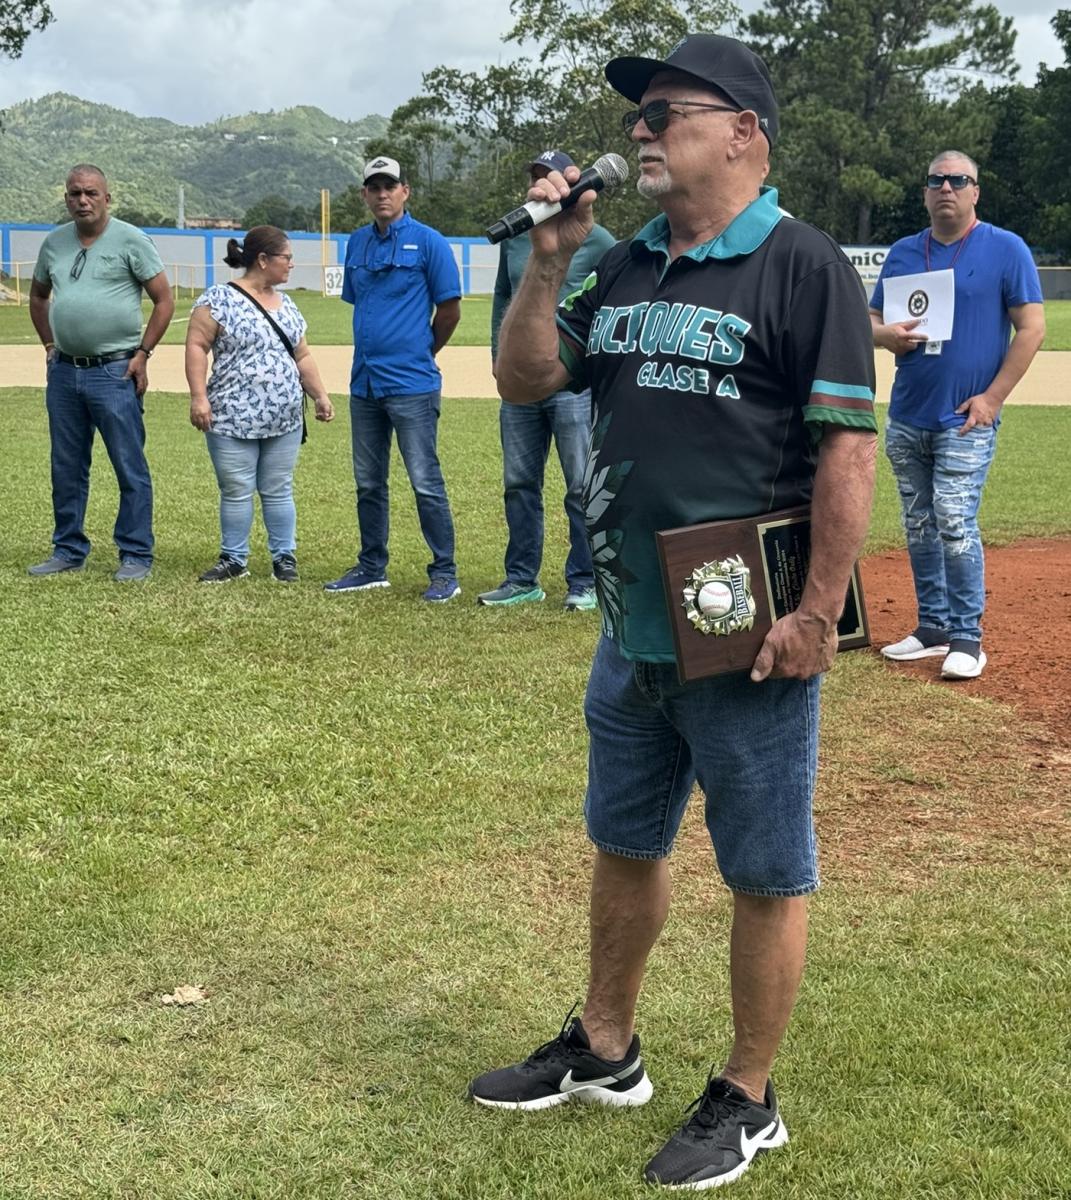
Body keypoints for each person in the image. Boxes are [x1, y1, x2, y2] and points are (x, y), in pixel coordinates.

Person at [467, 33, 878, 1191]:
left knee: (764, 870)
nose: (644, 129)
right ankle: (605, 1048)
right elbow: (527, 381)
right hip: (633, 622)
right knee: (626, 840)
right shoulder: (623, 264)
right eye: (641, 115)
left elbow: (848, 449)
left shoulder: (802, 266)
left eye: (669, 111)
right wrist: (549, 261)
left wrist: (815, 614)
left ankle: (749, 1098)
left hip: (750, 636)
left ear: (744, 131)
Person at [870, 151, 1045, 680]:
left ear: (975, 191)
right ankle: (933, 628)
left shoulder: (1004, 248)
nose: (946, 187)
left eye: (958, 180)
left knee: (953, 519)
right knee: (920, 523)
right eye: (936, 180)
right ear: (925, 192)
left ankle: (968, 637)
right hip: (907, 413)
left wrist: (992, 398)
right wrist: (883, 336)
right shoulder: (904, 252)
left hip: (965, 418)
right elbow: (873, 318)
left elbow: (1032, 328)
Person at [478, 151, 616, 612]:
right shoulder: (519, 240)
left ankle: (584, 580)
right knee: (519, 482)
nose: (545, 186)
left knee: (579, 485)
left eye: (552, 177)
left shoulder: (599, 242)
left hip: (571, 387)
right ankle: (521, 578)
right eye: (537, 179)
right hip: (519, 385)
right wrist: (501, 360)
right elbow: (503, 299)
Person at [324, 155, 463, 601]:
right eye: (374, 187)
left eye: (390, 186)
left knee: (424, 480)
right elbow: (358, 302)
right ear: (365, 194)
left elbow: (450, 310)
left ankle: (444, 573)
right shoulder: (357, 243)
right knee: (368, 481)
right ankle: (371, 566)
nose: (382, 194)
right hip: (364, 383)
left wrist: (423, 351)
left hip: (412, 384)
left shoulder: (429, 243)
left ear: (405, 191)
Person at [27, 163, 175, 581]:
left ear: (107, 198)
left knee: (128, 464)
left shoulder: (132, 240)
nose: (83, 201)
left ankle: (135, 553)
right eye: (75, 194)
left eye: (91, 193)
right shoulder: (54, 243)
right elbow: (38, 297)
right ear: (66, 198)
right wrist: (50, 344)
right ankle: (68, 548)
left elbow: (163, 300)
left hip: (114, 372)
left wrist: (144, 353)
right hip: (64, 373)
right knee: (67, 465)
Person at [185, 226, 334, 583]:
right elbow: (196, 347)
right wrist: (198, 397)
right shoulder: (218, 300)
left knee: (278, 488)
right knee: (236, 489)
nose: (292, 265)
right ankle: (234, 559)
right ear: (263, 260)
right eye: (287, 258)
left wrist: (320, 395)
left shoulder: (288, 304)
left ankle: (284, 558)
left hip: (283, 419)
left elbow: (303, 355)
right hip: (231, 417)